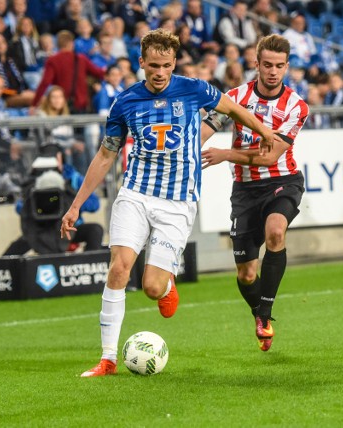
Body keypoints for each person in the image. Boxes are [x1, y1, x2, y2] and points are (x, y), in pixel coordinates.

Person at [62, 28, 278, 377]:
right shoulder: (125, 101)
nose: (159, 72)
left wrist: (265, 131)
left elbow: (233, 109)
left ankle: (166, 284)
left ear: (174, 62)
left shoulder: (193, 89)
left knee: (151, 288)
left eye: (165, 65)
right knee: (119, 268)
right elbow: (106, 154)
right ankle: (108, 359)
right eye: (153, 66)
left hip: (177, 203)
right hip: (136, 193)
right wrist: (75, 206)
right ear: (141, 63)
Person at [201, 34, 309, 352]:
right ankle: (257, 313)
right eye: (267, 65)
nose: (273, 71)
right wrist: (192, 149)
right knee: (247, 273)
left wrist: (225, 154)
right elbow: (208, 127)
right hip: (245, 191)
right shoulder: (234, 98)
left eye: (279, 66)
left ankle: (265, 313)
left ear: (287, 67)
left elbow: (270, 156)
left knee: (276, 231)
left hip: (283, 180)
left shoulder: (297, 106)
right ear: (256, 64)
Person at [3, 144, 103, 255]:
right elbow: (19, 207)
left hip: (70, 229)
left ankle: (89, 265)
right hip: (41, 230)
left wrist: (72, 204)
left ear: (61, 158)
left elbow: (95, 204)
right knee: (16, 248)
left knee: (95, 230)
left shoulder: (73, 177)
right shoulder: (33, 180)